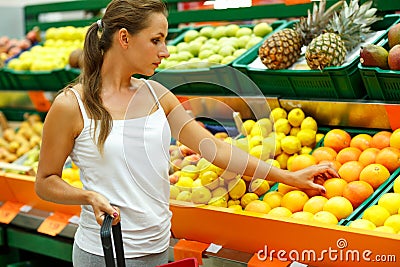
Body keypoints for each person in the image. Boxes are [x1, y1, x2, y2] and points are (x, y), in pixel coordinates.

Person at [35, 0, 339, 266]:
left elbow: (216, 150)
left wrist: (289, 176)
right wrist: (87, 196)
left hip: (158, 248)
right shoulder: (71, 105)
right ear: (124, 38)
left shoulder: (157, 95)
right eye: (156, 40)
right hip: (104, 255)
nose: (165, 51)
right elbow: (46, 181)